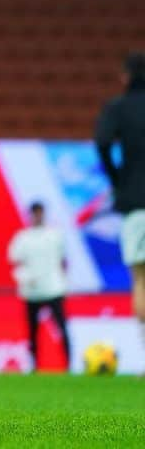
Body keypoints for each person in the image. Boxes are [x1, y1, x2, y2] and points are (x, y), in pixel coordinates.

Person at [95, 50, 145, 364]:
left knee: (141, 279)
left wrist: (118, 180)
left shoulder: (119, 108)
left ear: (126, 77)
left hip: (137, 202)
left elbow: (101, 142)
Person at [7, 201, 71, 371]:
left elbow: (64, 261)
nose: (37, 216)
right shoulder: (22, 238)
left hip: (54, 289)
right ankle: (34, 366)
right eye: (34, 213)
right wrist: (24, 278)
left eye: (40, 213)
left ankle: (68, 365)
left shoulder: (54, 235)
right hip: (32, 291)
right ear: (30, 215)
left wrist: (63, 281)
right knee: (33, 331)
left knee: (62, 328)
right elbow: (14, 261)